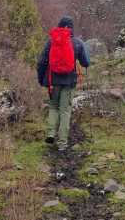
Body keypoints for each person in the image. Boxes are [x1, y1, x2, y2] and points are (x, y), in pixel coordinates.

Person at [36, 16, 90, 151]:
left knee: (53, 107)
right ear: (72, 28)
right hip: (69, 82)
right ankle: (62, 143)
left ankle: (50, 134)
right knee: (65, 111)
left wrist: (41, 79)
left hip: (52, 81)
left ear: (59, 26)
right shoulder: (77, 43)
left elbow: (41, 62)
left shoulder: (51, 41)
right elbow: (86, 62)